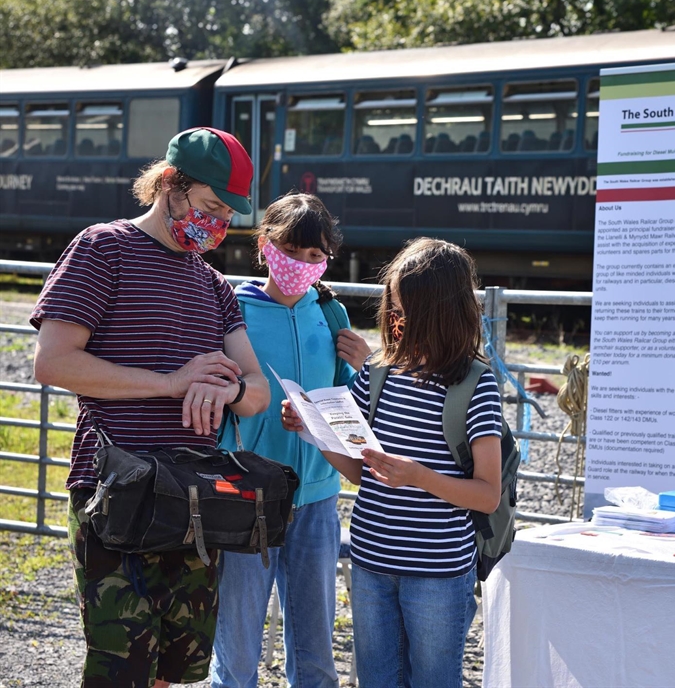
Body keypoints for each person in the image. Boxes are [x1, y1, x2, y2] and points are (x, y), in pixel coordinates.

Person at [31, 127, 271, 688]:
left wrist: (229, 392)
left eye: (228, 213)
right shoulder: (102, 249)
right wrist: (172, 384)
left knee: (172, 671)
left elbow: (258, 391)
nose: (219, 223)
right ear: (169, 184)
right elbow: (53, 363)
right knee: (121, 670)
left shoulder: (214, 284)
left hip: (194, 502)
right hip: (118, 494)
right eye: (211, 206)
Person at [282, 237, 503, 688]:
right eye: (394, 309)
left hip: (438, 574)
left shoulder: (475, 384)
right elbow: (361, 471)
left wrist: (419, 476)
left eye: (406, 311)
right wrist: (312, 430)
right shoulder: (378, 370)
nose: (396, 321)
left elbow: (487, 495)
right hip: (370, 563)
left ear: (441, 311)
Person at [209, 193, 370, 688]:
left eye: (314, 254)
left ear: (328, 258)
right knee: (236, 655)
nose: (301, 263)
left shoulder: (332, 314)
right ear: (265, 245)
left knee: (316, 655)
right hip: (244, 495)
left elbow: (350, 402)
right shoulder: (232, 309)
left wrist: (365, 366)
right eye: (291, 250)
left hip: (317, 497)